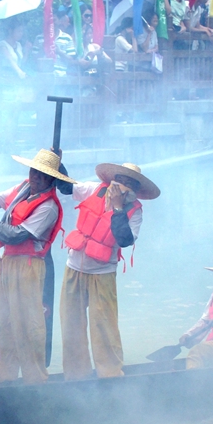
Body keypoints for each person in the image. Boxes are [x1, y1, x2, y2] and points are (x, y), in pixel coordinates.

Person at [0, 149, 76, 385]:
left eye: (42, 174)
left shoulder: (49, 207)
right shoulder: (22, 189)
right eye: (33, 171)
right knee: (4, 321)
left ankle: (34, 379)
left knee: (29, 325)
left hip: (29, 267)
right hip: (8, 264)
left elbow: (16, 235)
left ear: (51, 179)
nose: (35, 177)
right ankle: (4, 377)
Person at [61, 163, 158, 380]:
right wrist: (58, 164)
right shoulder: (93, 189)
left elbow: (124, 240)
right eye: (122, 180)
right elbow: (66, 187)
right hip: (74, 267)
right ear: (114, 179)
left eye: (130, 183)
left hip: (102, 273)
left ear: (135, 189)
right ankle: (76, 375)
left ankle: (110, 374)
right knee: (71, 323)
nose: (124, 186)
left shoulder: (134, 212)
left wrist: (117, 208)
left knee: (104, 326)